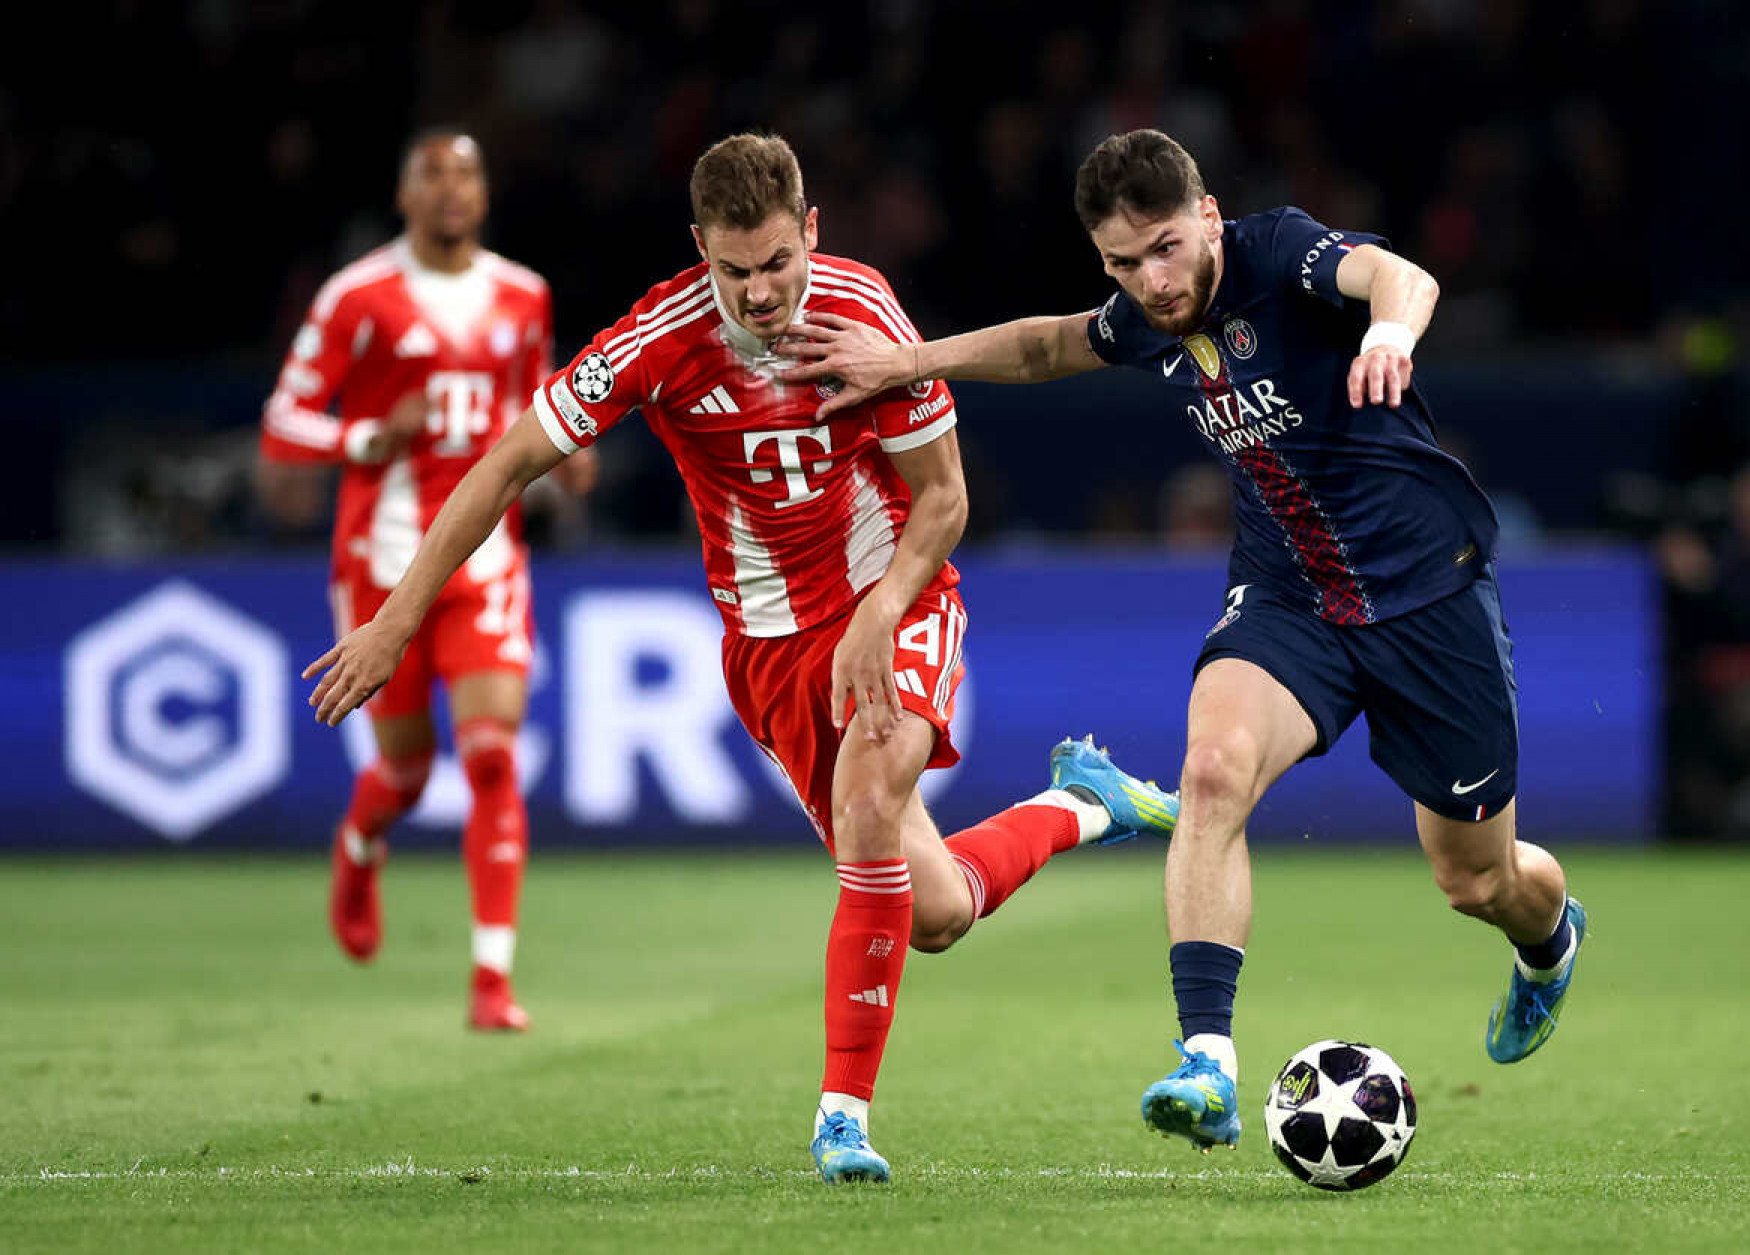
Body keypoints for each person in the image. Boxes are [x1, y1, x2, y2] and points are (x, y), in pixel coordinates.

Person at [302, 133, 1177, 1182]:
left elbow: (944, 499)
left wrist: (882, 607)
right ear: (700, 250)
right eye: (735, 271)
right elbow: (510, 463)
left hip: (893, 601)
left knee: (866, 807)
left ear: (810, 230)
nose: (762, 294)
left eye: (777, 263)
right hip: (768, 648)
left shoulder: (863, 316)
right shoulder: (659, 341)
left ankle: (841, 1120)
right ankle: (1088, 803)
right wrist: (398, 617)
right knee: (934, 910)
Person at [778, 128, 1587, 1152]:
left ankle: (1549, 943)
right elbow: (1049, 344)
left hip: (1429, 595)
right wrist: (908, 359)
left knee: (1477, 879)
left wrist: (1388, 334)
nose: (1150, 282)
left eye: (1163, 248)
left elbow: (1402, 276)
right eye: (1122, 262)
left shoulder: (1278, 251)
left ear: (1206, 217)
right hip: (1290, 598)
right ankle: (1208, 1062)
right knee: (1208, 777)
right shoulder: (1145, 312)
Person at [261, 129, 596, 1032]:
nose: (452, 190)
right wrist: (366, 438)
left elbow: (542, 398)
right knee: (407, 771)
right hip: (381, 568)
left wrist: (570, 457)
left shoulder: (523, 295)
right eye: (433, 175)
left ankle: (492, 981)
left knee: (491, 757)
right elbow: (284, 420)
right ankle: (361, 841)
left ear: (484, 196)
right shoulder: (356, 296)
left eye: (468, 175)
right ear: (404, 196)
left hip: (487, 562)